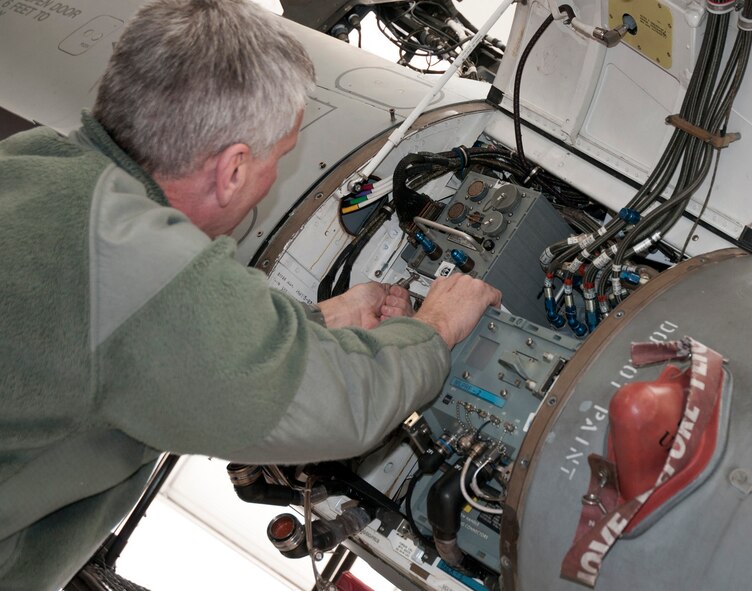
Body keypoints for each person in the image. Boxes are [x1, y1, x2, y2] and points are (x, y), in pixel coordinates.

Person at [0, 1, 501, 589]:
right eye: (280, 157)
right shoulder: (145, 270)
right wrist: (435, 328)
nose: (273, 176)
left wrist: (325, 318)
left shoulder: (31, 164)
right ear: (234, 169)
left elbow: (150, 339)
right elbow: (340, 405)